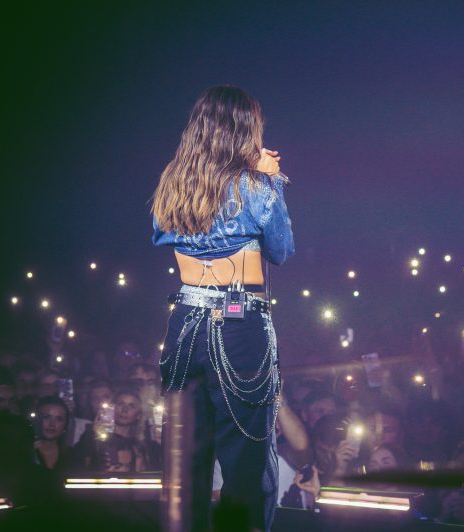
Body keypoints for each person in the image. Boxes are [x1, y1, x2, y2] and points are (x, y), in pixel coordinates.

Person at [151, 85, 294, 531]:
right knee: (248, 461)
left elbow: (161, 233)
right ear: (247, 130)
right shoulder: (255, 186)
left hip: (184, 324)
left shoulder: (173, 181)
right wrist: (270, 180)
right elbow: (281, 249)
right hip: (239, 325)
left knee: (185, 462)